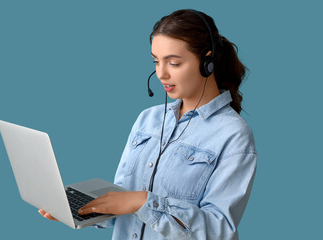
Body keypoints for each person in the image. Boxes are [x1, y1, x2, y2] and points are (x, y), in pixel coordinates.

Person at [39, 9, 257, 240]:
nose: (161, 73)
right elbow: (123, 200)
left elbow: (218, 232)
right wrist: (81, 209)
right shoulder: (147, 119)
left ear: (207, 62)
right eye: (156, 61)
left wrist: (144, 202)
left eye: (173, 63)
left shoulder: (233, 135)